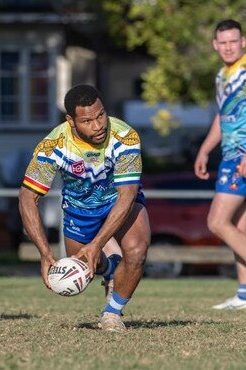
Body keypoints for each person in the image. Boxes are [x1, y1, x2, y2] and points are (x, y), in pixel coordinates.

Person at [19, 84, 150, 332]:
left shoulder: (125, 137)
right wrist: (45, 252)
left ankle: (112, 314)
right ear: (71, 121)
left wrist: (97, 243)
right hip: (79, 210)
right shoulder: (53, 146)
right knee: (87, 267)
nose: (98, 125)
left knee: (136, 252)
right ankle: (110, 268)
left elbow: (128, 195)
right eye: (87, 120)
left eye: (101, 115)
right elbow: (27, 197)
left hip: (118, 200)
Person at [194, 19, 246, 310]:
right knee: (238, 227)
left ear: (243, 42)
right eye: (223, 42)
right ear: (216, 45)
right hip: (230, 155)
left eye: (234, 41)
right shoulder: (222, 74)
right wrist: (205, 150)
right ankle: (245, 292)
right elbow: (222, 116)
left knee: (216, 221)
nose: (229, 47)